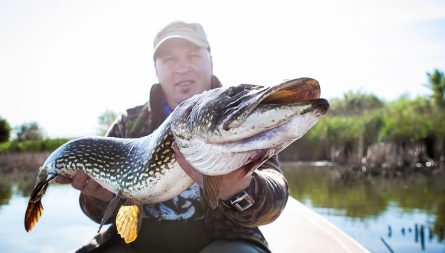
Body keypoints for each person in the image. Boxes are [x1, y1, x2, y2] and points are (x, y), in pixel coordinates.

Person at [56, 21, 289, 253]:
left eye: (193, 55)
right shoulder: (129, 123)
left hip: (224, 241)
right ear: (156, 69)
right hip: (137, 244)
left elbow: (274, 202)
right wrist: (101, 197)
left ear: (211, 61)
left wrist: (239, 188)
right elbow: (96, 215)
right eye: (170, 59)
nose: (182, 68)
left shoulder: (239, 116)